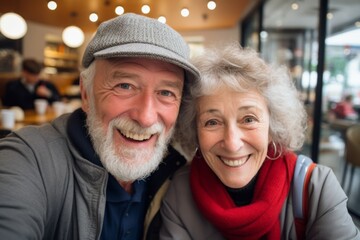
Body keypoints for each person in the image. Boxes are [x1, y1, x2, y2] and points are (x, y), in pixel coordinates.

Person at [0, 13, 199, 239]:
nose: (145, 118)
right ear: (86, 94)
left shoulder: (179, 174)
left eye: (166, 92)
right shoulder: (29, 159)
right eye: (125, 85)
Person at [160, 44, 360, 239]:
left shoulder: (316, 187)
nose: (232, 143)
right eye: (212, 122)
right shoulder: (180, 192)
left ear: (272, 127)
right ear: (195, 131)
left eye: (248, 119)